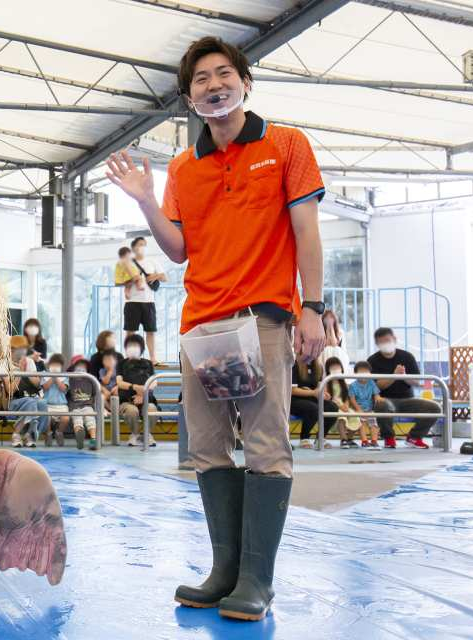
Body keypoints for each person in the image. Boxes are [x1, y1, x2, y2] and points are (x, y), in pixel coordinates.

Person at [106, 35, 327, 620]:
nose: (213, 84)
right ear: (188, 97)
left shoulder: (286, 145)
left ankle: (257, 578)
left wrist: (313, 306)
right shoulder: (184, 166)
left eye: (224, 73)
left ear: (246, 83)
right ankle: (225, 569)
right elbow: (177, 251)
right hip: (202, 324)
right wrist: (147, 202)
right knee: (206, 449)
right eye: (200, 78)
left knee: (264, 446)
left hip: (263, 318)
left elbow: (306, 231)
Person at [368, 328, 442, 449]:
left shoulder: (407, 357)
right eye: (381, 342)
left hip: (407, 399)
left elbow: (417, 382)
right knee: (382, 404)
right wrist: (394, 376)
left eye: (387, 340)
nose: (385, 344)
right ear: (377, 344)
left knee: (435, 407)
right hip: (385, 399)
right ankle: (389, 438)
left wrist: (404, 376)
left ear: (394, 340)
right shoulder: (372, 361)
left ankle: (414, 437)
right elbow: (375, 386)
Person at [123, 237, 166, 366]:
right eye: (140, 244)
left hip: (148, 302)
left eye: (144, 245)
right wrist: (133, 279)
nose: (143, 247)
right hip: (132, 302)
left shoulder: (152, 261)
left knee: (151, 331)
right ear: (134, 247)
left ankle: (153, 358)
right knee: (130, 331)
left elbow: (164, 277)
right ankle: (129, 357)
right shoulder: (128, 264)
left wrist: (155, 276)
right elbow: (124, 282)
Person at [5, 335, 48, 448]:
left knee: (42, 404)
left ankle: (29, 434)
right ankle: (17, 433)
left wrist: (26, 372)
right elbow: (9, 390)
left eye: (24, 348)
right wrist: (20, 372)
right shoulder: (5, 363)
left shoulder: (29, 361)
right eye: (18, 348)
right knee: (32, 402)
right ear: (11, 349)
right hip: (13, 401)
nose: (22, 351)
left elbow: (37, 384)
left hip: (30, 397)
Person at [116, 334, 158, 447]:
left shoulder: (148, 364)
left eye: (135, 345)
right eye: (129, 346)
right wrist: (135, 387)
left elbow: (154, 382)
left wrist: (143, 394)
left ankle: (146, 434)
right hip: (127, 400)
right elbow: (119, 382)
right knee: (131, 411)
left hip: (146, 399)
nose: (132, 348)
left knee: (152, 409)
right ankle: (134, 434)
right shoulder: (121, 364)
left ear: (141, 348)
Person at [291, 358, 338, 449]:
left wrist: (324, 394)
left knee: (332, 407)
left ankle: (320, 438)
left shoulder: (318, 367)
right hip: (293, 400)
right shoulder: (294, 364)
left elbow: (319, 388)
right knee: (313, 408)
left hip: (311, 398)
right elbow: (292, 390)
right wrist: (313, 393)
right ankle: (304, 438)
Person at [325, 356, 360, 449]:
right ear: (328, 370)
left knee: (355, 416)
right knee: (341, 417)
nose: (336, 369)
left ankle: (349, 439)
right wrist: (340, 407)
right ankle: (343, 439)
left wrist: (346, 406)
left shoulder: (344, 383)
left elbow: (347, 398)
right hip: (334, 406)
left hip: (344, 406)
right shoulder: (326, 383)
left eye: (337, 367)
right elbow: (328, 398)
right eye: (332, 367)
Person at [67, 355, 98, 450]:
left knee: (90, 419)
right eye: (78, 365)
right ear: (73, 367)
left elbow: (96, 393)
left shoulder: (91, 379)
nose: (81, 368)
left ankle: (93, 439)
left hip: (88, 405)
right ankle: (79, 436)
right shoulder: (69, 379)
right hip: (75, 407)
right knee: (77, 420)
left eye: (83, 366)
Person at [349, 361, 381, 449]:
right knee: (361, 424)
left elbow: (376, 394)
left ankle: (374, 441)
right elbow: (352, 399)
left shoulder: (371, 383)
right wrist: (358, 409)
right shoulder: (353, 385)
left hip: (370, 409)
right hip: (359, 409)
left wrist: (377, 397)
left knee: (374, 424)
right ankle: (364, 441)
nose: (364, 374)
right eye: (361, 372)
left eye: (366, 372)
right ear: (355, 374)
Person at [41, 353, 69, 447]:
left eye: (58, 365)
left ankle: (59, 433)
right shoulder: (45, 374)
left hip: (61, 405)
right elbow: (45, 387)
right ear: (49, 365)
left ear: (61, 366)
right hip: (47, 404)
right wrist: (51, 377)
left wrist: (56, 378)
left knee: (66, 418)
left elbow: (64, 389)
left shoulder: (65, 376)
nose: (55, 367)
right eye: (53, 365)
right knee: (46, 418)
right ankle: (48, 434)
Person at [320, 309, 351, 374]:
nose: (329, 320)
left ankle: (337, 372)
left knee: (334, 349)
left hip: (338, 355)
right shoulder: (320, 331)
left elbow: (334, 344)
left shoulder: (340, 331)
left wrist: (331, 328)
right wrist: (328, 328)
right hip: (324, 354)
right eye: (327, 317)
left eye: (331, 317)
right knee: (327, 350)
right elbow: (327, 344)